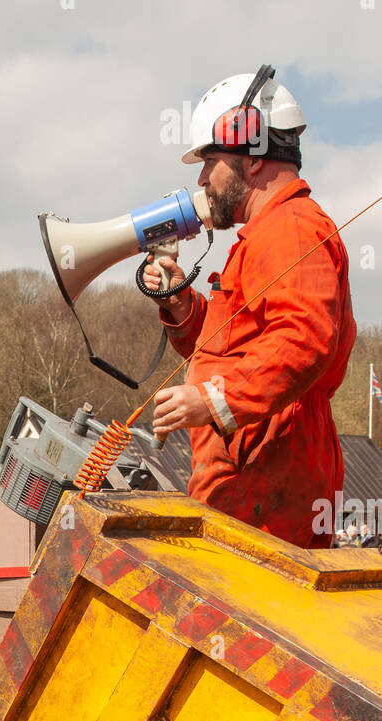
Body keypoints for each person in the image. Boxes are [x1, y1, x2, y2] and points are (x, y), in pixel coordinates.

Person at [144, 68, 356, 550]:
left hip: (268, 486)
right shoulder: (268, 234)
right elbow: (239, 348)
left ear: (253, 157)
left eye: (211, 161)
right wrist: (182, 306)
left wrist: (215, 401)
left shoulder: (292, 230)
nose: (201, 180)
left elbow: (304, 342)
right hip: (252, 480)